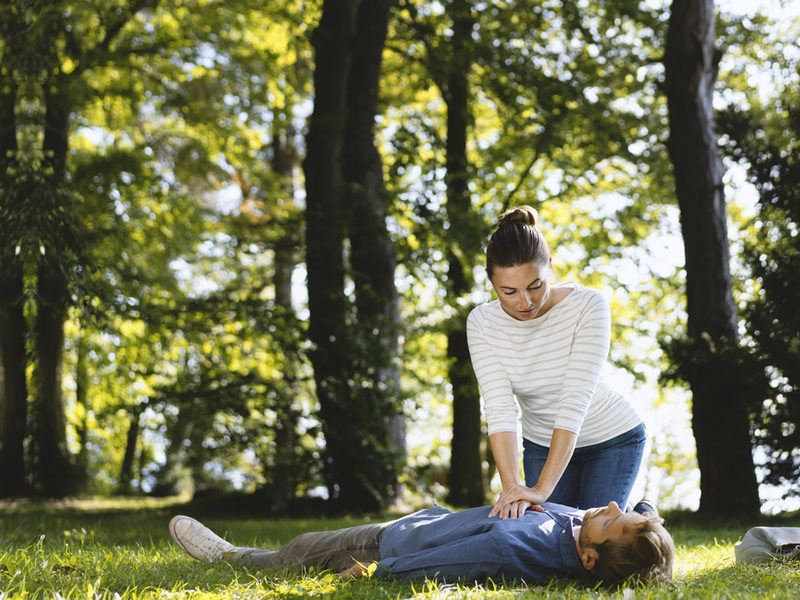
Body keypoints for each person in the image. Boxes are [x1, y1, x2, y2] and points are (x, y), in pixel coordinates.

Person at [468, 205, 646, 519]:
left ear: (550, 266)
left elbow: (574, 398)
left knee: (590, 543)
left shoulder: (588, 305)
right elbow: (499, 408)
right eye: (509, 291)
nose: (525, 303)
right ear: (490, 281)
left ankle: (640, 514)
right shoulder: (482, 323)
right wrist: (512, 489)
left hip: (611, 438)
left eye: (535, 286)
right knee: (548, 539)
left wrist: (540, 490)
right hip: (541, 444)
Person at [169, 500, 674, 587]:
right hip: (422, 523)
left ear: (589, 558)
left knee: (300, 552)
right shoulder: (577, 536)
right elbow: (643, 516)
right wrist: (647, 521)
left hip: (386, 547)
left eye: (613, 520)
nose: (609, 508)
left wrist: (378, 573)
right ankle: (244, 555)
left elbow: (450, 564)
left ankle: (232, 556)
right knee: (305, 548)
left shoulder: (516, 549)